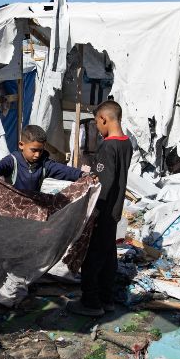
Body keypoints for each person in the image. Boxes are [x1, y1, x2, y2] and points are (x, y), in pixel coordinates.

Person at [68, 100, 133, 317]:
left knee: (92, 257)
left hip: (103, 209)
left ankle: (91, 303)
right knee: (108, 256)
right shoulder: (126, 143)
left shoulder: (108, 146)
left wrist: (91, 210)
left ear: (104, 119)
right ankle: (107, 299)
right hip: (115, 209)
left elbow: (103, 184)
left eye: (97, 123)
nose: (97, 127)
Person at [0, 124, 86, 192]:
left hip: (34, 210)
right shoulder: (12, 161)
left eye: (40, 151)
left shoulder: (45, 164)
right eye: (34, 150)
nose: (37, 155)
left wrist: (83, 175)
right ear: (21, 145)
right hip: (14, 210)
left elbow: (65, 171)